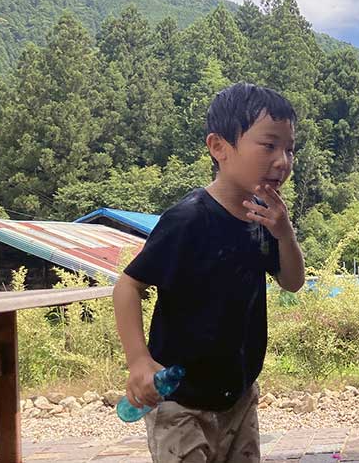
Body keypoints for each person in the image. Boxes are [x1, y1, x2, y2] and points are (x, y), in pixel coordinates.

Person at [114, 83, 306, 462]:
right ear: (219, 147)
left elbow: (292, 281)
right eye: (269, 145)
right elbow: (128, 285)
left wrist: (285, 234)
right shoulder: (189, 219)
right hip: (178, 400)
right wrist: (138, 361)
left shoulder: (263, 219)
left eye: (290, 149)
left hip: (238, 396)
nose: (283, 161)